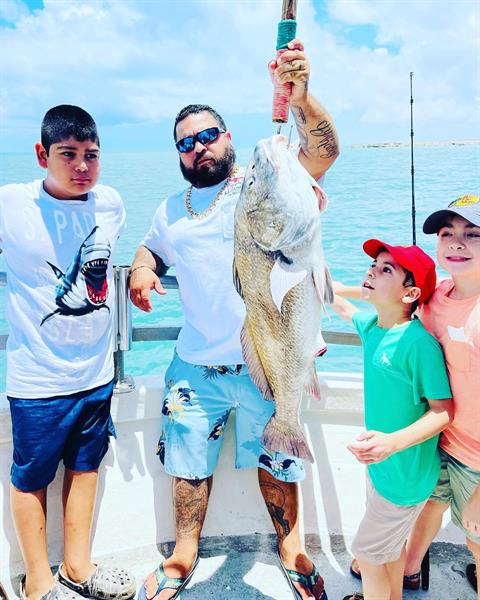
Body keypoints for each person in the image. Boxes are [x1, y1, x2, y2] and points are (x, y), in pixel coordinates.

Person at [129, 40, 338, 600]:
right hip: (195, 365)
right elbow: (153, 247)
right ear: (179, 154)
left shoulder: (265, 180)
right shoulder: (171, 208)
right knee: (188, 466)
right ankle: (183, 555)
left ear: (227, 137)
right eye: (187, 143)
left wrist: (302, 98)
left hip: (266, 361)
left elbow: (323, 152)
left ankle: (293, 550)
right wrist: (144, 268)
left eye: (208, 135)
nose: (199, 147)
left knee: (280, 459)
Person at [0, 105, 136, 600]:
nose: (82, 166)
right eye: (69, 155)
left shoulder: (111, 204)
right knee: (30, 478)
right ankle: (38, 580)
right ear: (43, 155)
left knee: (86, 468)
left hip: (97, 373)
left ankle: (77, 566)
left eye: (92, 156)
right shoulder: (12, 204)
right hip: (37, 379)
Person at [330, 240, 452, 600]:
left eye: (387, 270)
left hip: (404, 475)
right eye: (374, 264)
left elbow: (444, 410)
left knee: (367, 554)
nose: (372, 270)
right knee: (389, 550)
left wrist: (390, 444)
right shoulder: (372, 328)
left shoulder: (418, 344)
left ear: (410, 293)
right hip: (381, 468)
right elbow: (336, 301)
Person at [403, 195, 480, 598]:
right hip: (442, 440)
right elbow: (387, 303)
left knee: (476, 539)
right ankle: (410, 570)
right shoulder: (436, 296)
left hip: (478, 462)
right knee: (431, 505)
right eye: (447, 233)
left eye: (473, 234)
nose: (456, 242)